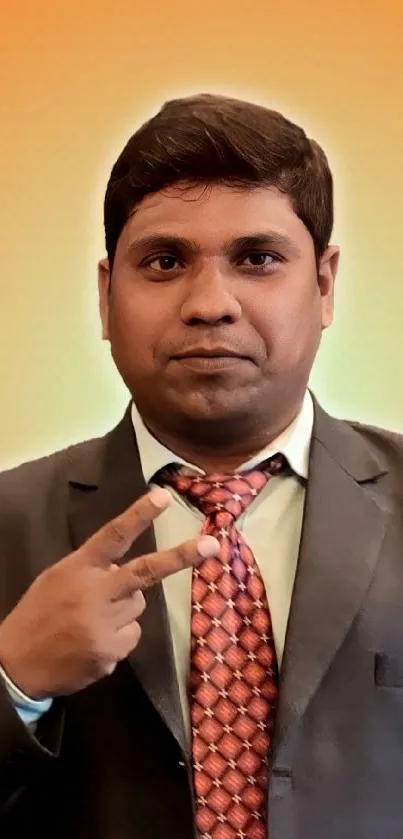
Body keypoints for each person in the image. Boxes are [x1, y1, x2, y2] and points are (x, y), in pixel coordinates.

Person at [0, 93, 402, 839]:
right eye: (163, 261)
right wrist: (13, 682)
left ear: (322, 284)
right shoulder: (7, 523)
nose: (209, 303)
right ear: (105, 293)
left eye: (257, 259)